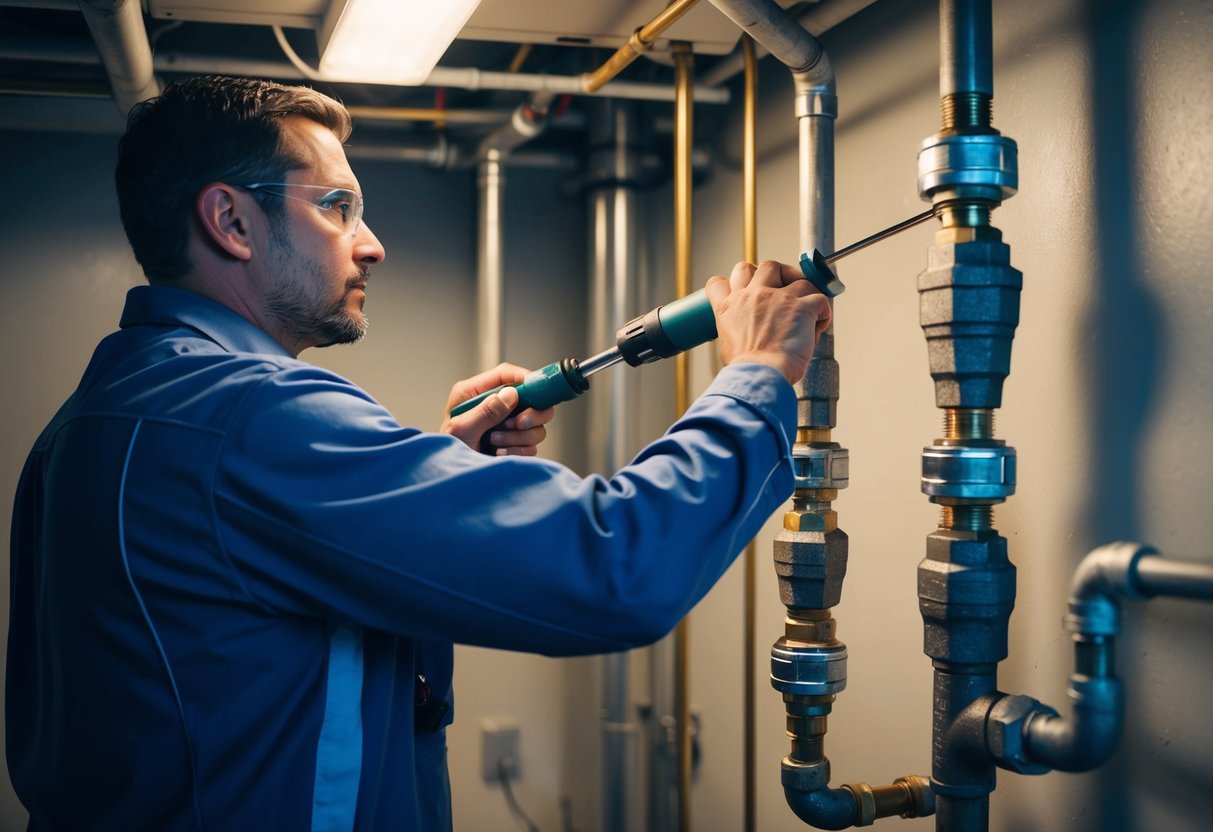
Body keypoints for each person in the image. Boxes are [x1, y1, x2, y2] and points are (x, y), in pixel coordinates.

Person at [6, 75, 831, 831]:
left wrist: (441, 479)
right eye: (337, 206)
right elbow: (613, 570)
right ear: (230, 222)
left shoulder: (95, 420)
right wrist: (756, 375)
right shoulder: (254, 416)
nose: (371, 245)